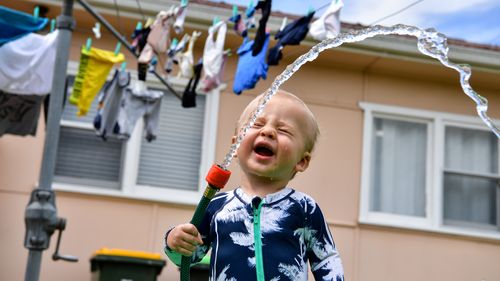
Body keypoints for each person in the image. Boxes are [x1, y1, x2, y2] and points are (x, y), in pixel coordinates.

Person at [164, 90, 345, 281]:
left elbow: (326, 260)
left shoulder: (304, 208)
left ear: (302, 161)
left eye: (283, 130)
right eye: (256, 124)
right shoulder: (218, 206)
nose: (267, 131)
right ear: (235, 146)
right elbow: (187, 257)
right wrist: (174, 240)